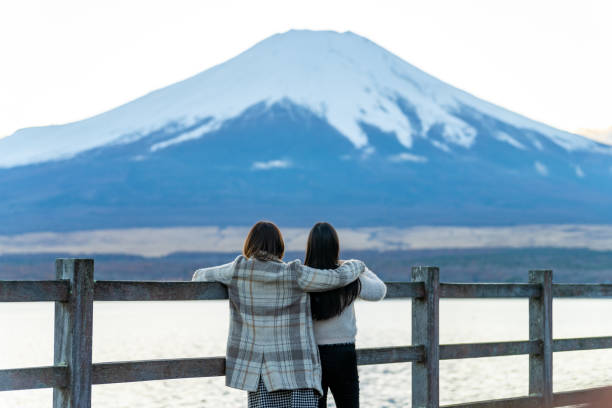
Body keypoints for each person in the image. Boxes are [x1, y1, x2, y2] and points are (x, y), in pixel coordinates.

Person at [192, 221, 367, 408]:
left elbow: (199, 276)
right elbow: (336, 278)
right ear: (279, 246)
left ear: (250, 244)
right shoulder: (294, 273)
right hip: (297, 370)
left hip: (259, 372)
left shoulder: (237, 270)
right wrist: (357, 265)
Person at [306, 222, 387, 408]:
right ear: (335, 247)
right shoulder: (347, 277)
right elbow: (379, 291)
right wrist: (360, 267)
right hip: (343, 353)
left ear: (310, 247)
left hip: (312, 354)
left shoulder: (305, 278)